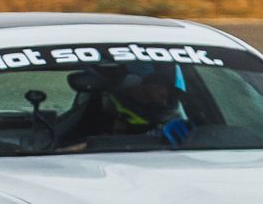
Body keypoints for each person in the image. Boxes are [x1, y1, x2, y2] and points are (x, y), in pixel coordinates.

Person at [57, 62, 194, 147]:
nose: (158, 101)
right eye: (146, 95)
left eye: (164, 96)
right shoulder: (77, 135)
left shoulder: (185, 132)